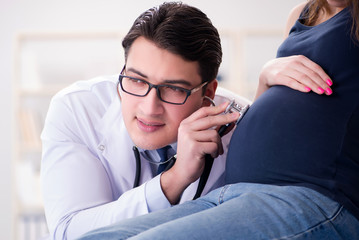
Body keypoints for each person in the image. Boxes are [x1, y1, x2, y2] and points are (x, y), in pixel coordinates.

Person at [77, 0, 359, 239]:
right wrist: (265, 79)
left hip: (312, 196)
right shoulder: (302, 14)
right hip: (235, 194)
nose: (151, 106)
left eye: (173, 88)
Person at [40, 2, 255, 239]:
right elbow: (70, 231)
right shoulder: (77, 109)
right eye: (137, 80)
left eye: (173, 88)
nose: (149, 108)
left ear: (209, 93)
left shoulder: (241, 125)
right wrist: (174, 180)